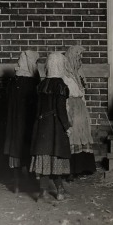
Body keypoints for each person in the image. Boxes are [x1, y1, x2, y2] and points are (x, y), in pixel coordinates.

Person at [30, 52, 72, 201]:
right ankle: (60, 191)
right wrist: (67, 126)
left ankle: (43, 192)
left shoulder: (41, 84)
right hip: (56, 127)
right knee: (56, 158)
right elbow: (61, 110)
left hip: (42, 127)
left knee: (44, 160)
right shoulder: (61, 85)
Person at [3, 50, 40, 194]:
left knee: (16, 150)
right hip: (28, 122)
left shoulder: (13, 81)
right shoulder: (33, 82)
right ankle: (31, 182)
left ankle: (17, 185)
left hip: (14, 122)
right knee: (28, 149)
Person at [63, 45, 96, 180]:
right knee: (73, 136)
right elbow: (66, 94)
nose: (79, 60)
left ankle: (83, 167)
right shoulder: (64, 75)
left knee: (83, 133)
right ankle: (71, 169)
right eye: (77, 57)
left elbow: (82, 93)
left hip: (80, 107)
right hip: (71, 107)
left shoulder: (78, 73)